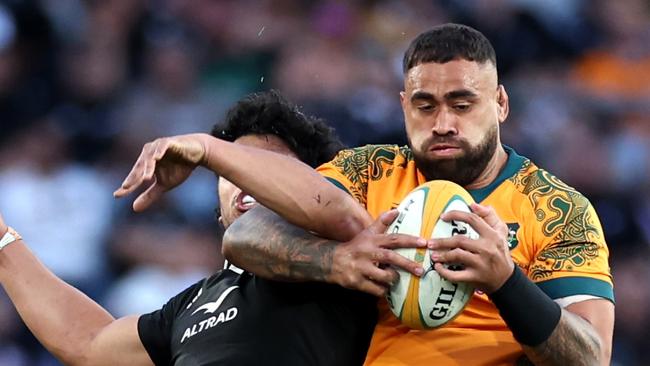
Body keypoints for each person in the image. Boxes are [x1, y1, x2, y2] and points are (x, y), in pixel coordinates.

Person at [117, 24, 614, 365]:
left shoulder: (558, 210)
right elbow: (247, 234)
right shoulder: (367, 173)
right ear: (402, 106)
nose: (443, 123)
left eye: (463, 104)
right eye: (425, 105)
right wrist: (336, 261)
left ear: (501, 103)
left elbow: (590, 356)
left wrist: (506, 281)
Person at [0, 90, 384, 366]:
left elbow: (330, 207)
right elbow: (88, 343)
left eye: (265, 165)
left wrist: (206, 147)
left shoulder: (348, 256)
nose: (245, 179)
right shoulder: (192, 304)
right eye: (231, 170)